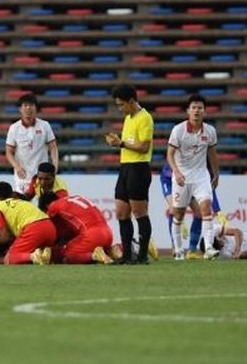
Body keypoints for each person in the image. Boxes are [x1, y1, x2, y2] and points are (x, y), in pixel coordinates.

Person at [105, 84, 154, 264]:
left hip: (139, 168)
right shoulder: (128, 118)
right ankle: (126, 255)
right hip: (125, 167)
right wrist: (117, 143)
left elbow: (144, 147)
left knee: (139, 213)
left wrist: (121, 144)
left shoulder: (145, 118)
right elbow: (127, 143)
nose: (120, 108)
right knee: (121, 213)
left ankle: (142, 256)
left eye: (121, 105)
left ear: (132, 101)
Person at [167, 94, 220, 261]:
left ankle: (209, 247)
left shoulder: (210, 131)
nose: (197, 110)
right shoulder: (178, 130)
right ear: (188, 111)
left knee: (206, 208)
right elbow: (170, 154)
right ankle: (178, 250)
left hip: (200, 176)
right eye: (194, 107)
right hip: (182, 176)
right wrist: (176, 172)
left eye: (200, 108)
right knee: (178, 214)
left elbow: (212, 153)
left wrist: (216, 173)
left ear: (204, 111)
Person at [160, 163, 226, 260]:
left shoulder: (203, 163)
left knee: (199, 213)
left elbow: (209, 189)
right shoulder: (182, 151)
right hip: (170, 180)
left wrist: (217, 210)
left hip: (189, 181)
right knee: (174, 210)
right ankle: (176, 248)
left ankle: (192, 251)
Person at [0, 181, 57, 265]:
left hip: (34, 229)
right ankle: (44, 254)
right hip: (50, 227)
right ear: (12, 193)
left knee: (10, 258)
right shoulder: (23, 202)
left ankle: (34, 256)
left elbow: (5, 237)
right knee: (33, 253)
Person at [39, 192, 114, 264]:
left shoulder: (53, 207)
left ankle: (94, 256)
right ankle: (112, 251)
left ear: (46, 206)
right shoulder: (74, 199)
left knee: (66, 256)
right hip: (108, 234)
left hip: (92, 235)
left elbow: (49, 229)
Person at [5, 93, 58, 194]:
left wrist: (55, 165)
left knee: (42, 206)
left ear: (36, 108)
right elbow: (8, 152)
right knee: (23, 207)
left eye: (31, 105)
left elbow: (53, 147)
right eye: (25, 105)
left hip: (42, 177)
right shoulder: (14, 128)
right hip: (22, 178)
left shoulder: (45, 125)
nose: (28, 108)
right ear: (20, 109)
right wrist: (16, 167)